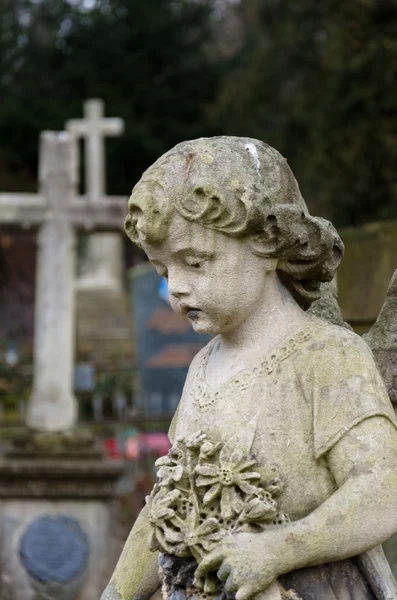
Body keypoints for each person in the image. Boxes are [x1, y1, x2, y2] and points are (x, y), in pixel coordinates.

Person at [101, 137, 397, 600]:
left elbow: (384, 491)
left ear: (266, 243)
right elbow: (168, 508)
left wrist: (277, 550)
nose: (176, 288)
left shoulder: (326, 357)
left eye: (195, 263)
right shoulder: (202, 366)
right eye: (163, 272)